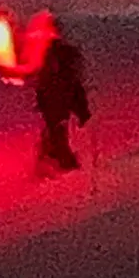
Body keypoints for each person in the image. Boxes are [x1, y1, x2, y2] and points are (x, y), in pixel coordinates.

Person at [31, 16, 92, 174]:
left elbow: (73, 79)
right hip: (55, 97)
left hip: (58, 96)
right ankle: (59, 159)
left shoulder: (55, 53)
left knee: (57, 128)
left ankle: (56, 157)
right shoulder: (49, 53)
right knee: (57, 128)